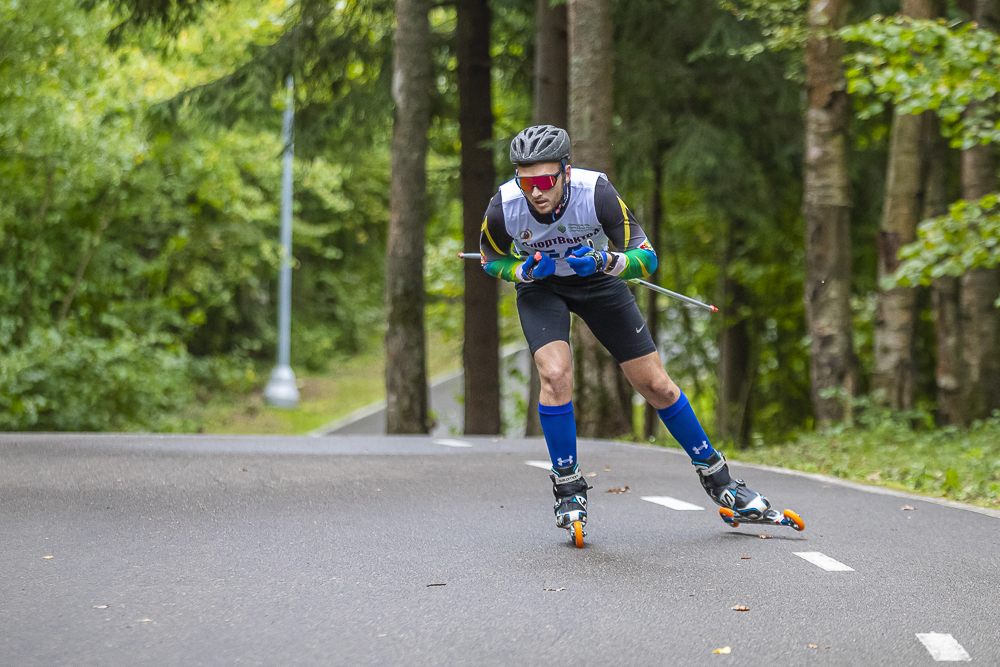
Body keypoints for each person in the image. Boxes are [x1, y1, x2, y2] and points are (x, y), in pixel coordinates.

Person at [479, 124, 777, 535]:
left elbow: (645, 258)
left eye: (545, 180)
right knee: (554, 374)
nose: (536, 192)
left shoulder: (596, 191)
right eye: (526, 181)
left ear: (566, 172)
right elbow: (490, 258)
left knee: (656, 386)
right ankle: (568, 486)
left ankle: (719, 479)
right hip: (541, 287)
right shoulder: (504, 205)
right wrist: (521, 269)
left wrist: (603, 261)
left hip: (597, 281)